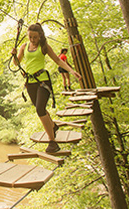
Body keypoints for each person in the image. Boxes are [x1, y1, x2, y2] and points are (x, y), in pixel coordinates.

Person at [11, 23, 81, 153]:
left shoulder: (44, 47)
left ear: (40, 36)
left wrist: (72, 71)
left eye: (35, 37)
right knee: (40, 108)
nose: (32, 39)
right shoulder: (24, 46)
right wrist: (14, 55)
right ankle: (53, 126)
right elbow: (16, 63)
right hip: (30, 82)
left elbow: (58, 61)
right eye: (30, 37)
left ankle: (52, 142)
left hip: (43, 81)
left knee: (40, 109)